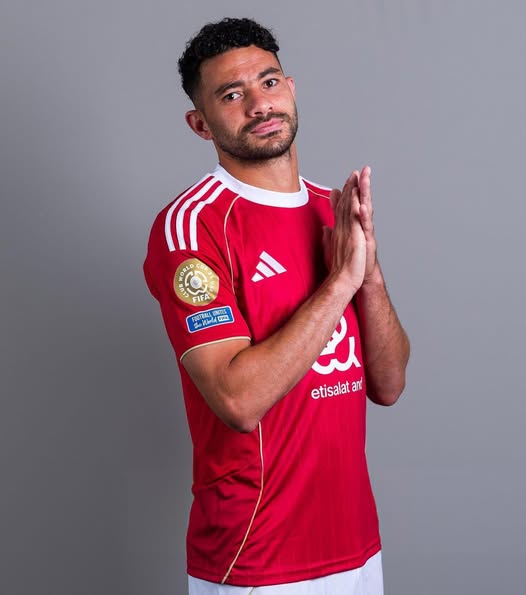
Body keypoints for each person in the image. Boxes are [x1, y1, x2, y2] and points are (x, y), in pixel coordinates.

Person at [144, 17, 410, 595]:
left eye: (268, 83)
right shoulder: (192, 228)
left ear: (290, 88)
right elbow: (238, 400)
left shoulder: (330, 208)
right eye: (231, 95)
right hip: (258, 559)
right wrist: (339, 283)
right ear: (200, 123)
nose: (259, 104)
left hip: (357, 547)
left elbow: (389, 384)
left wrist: (369, 275)